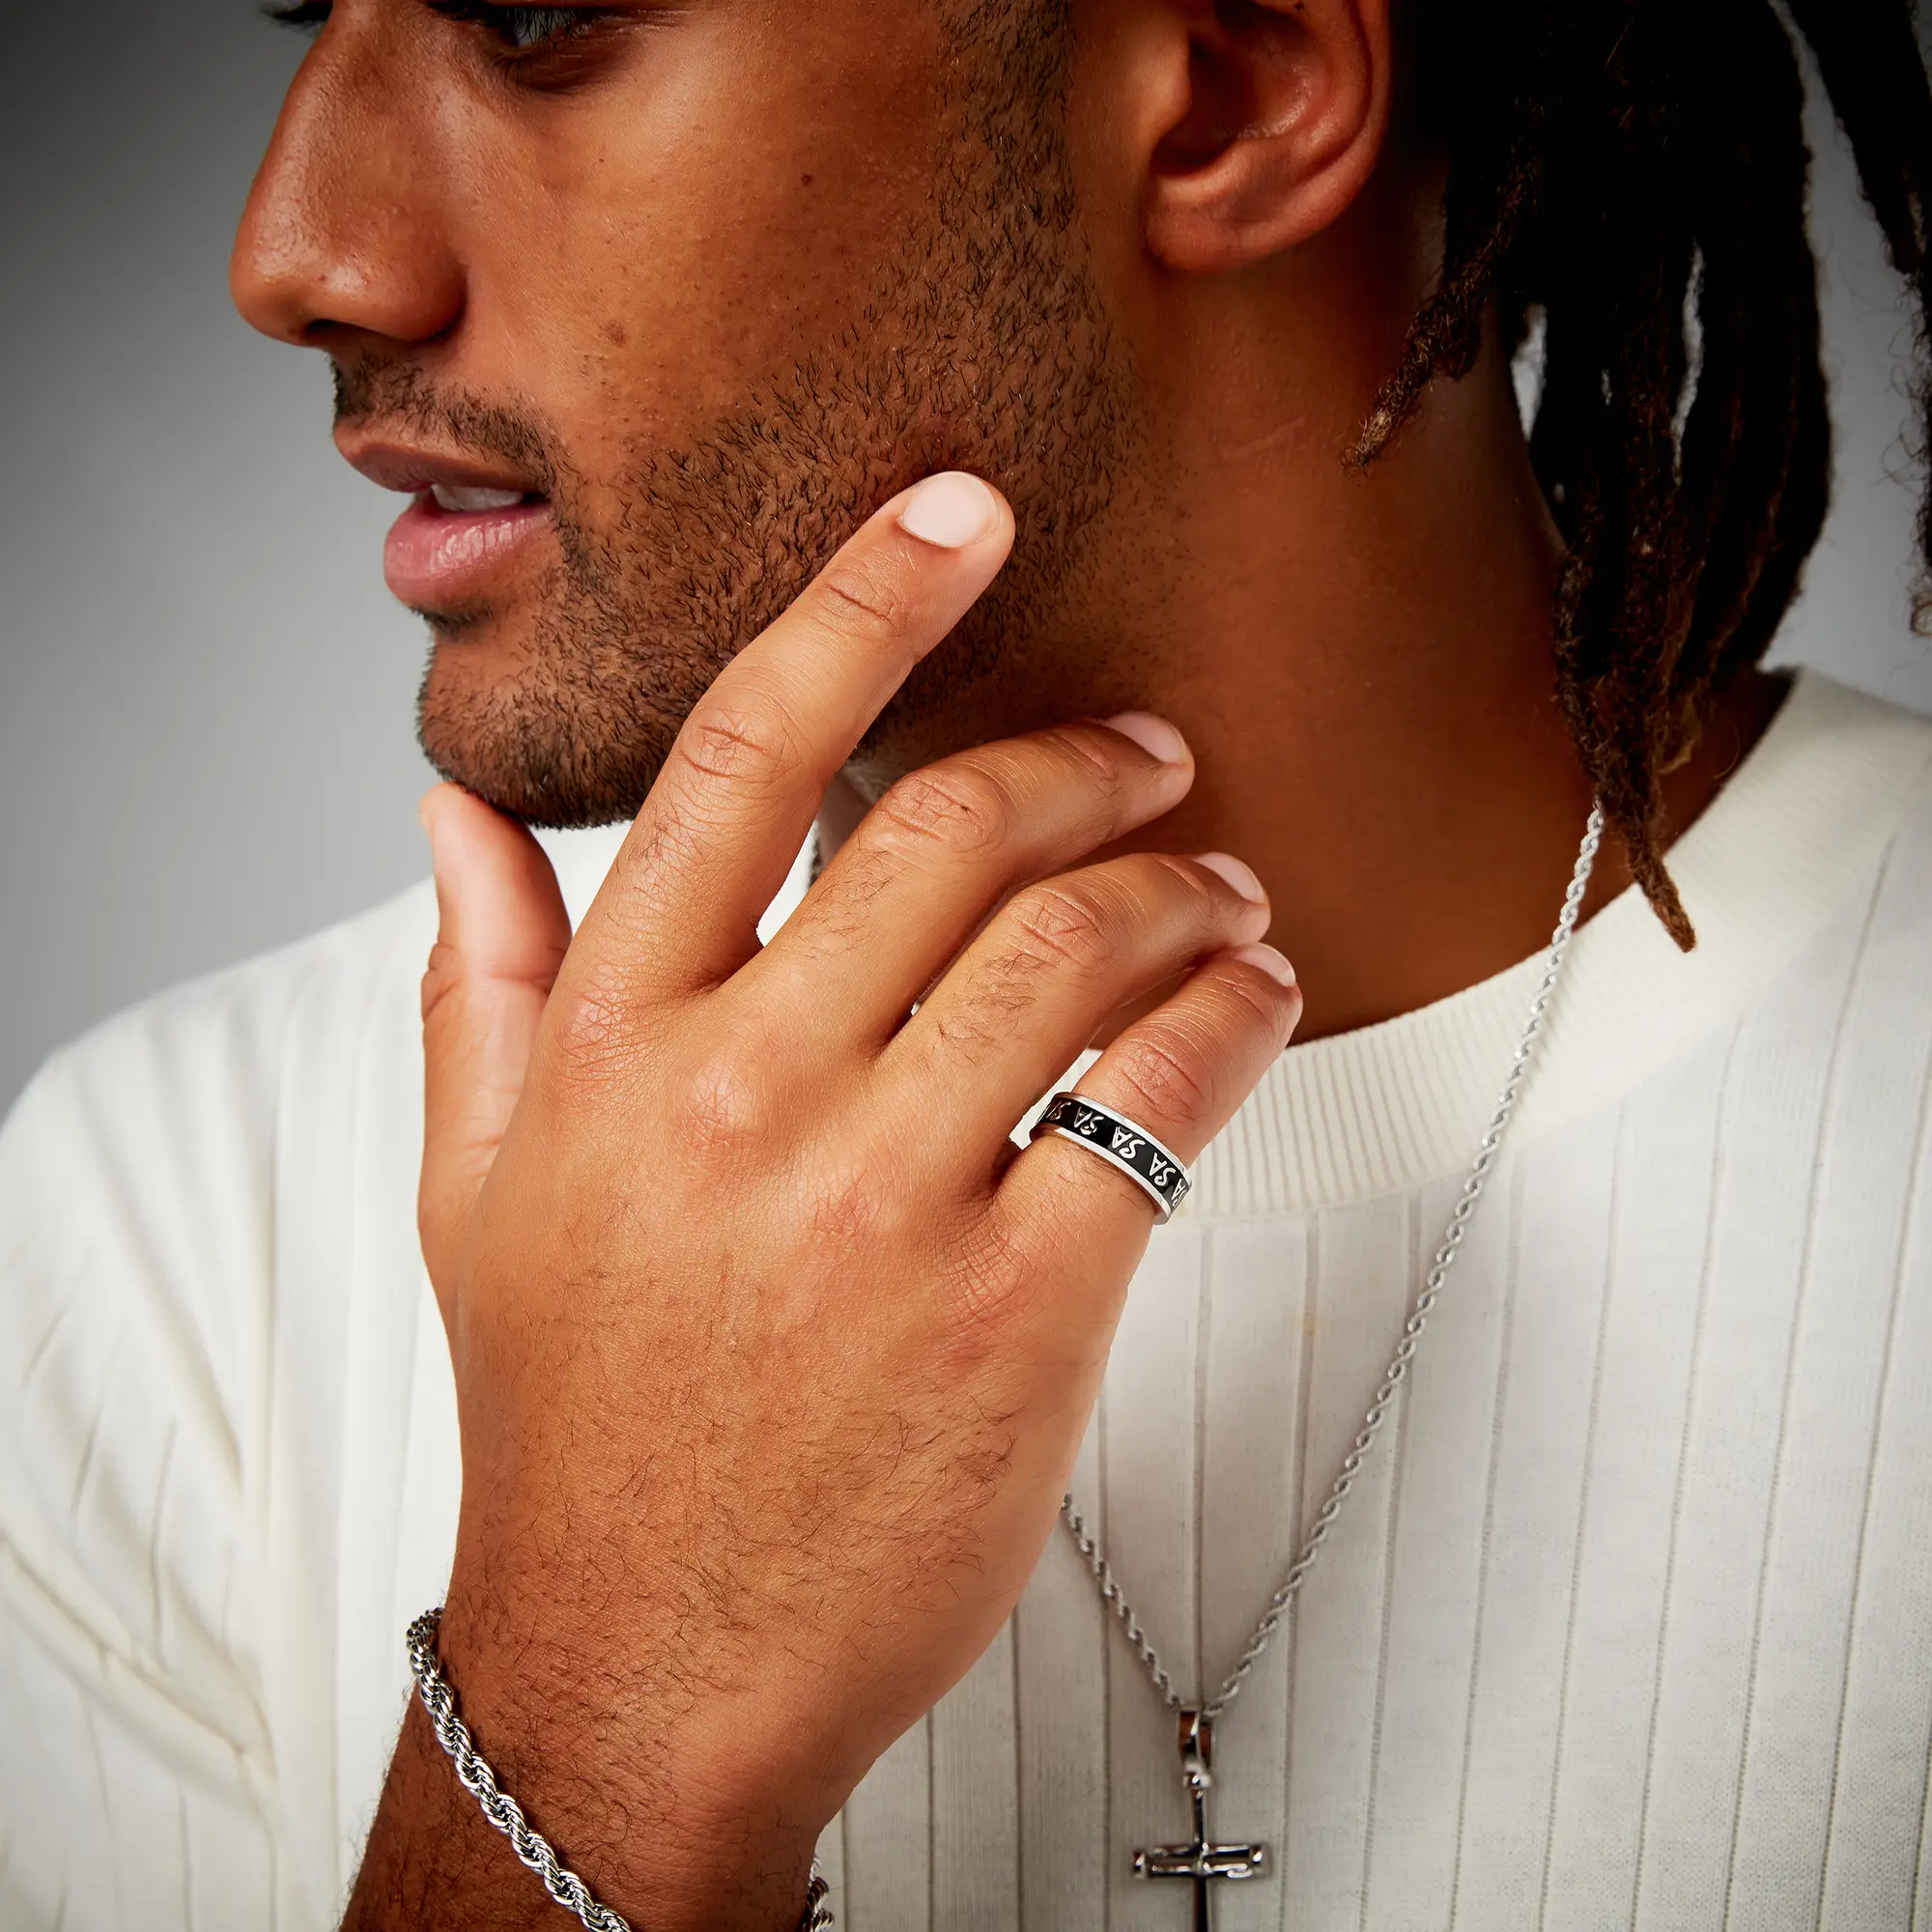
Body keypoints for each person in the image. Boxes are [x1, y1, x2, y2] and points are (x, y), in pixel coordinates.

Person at [4, 0, 1931, 1926]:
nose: (297, 254)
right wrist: (591, 1715)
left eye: (531, 18)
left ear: (1237, 87)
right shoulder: (168, 1222)